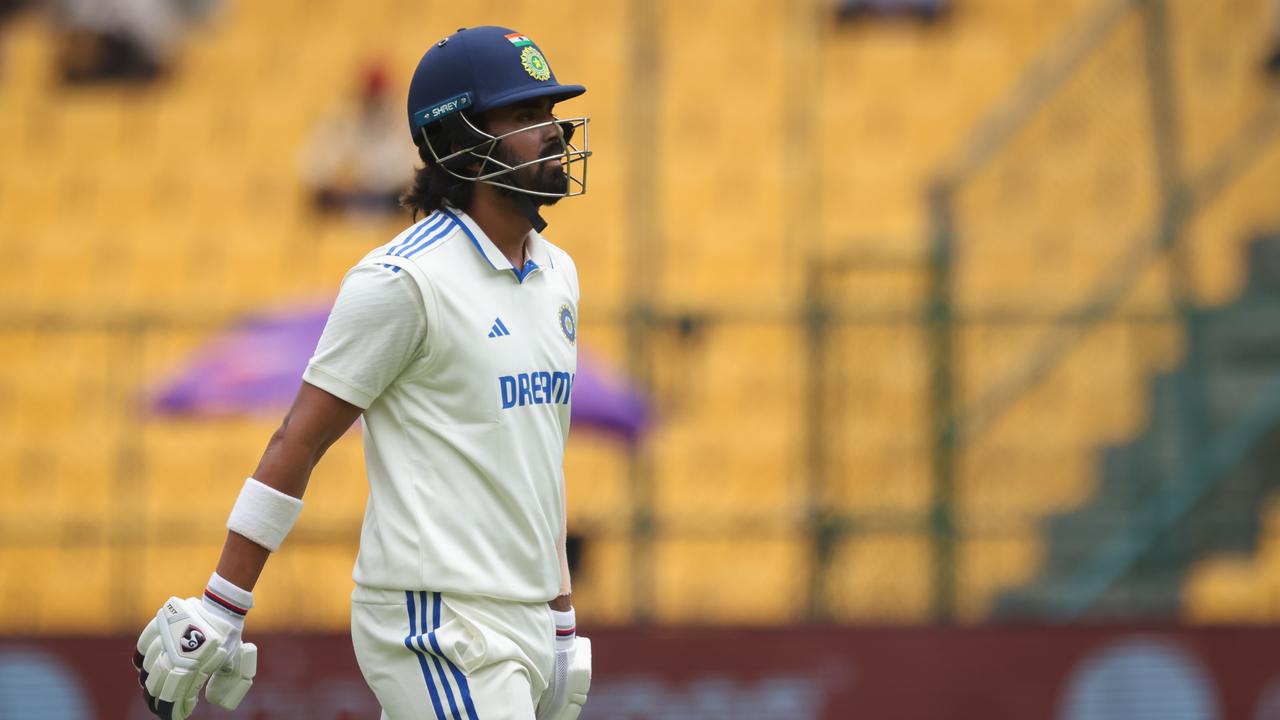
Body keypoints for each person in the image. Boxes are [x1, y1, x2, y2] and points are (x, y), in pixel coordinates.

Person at [132, 26, 593, 720]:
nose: (553, 133)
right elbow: (299, 440)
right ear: (460, 142)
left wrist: (558, 619)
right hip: (435, 620)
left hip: (521, 615)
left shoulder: (558, 275)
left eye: (550, 114)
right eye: (525, 116)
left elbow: (539, 462)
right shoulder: (404, 280)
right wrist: (224, 604)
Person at [300, 61, 416, 217]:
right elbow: (311, 167)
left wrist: (373, 181)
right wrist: (342, 178)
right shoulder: (340, 122)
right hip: (343, 205)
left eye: (379, 97)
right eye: (371, 96)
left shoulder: (403, 122)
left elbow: (414, 170)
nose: (375, 102)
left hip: (389, 204)